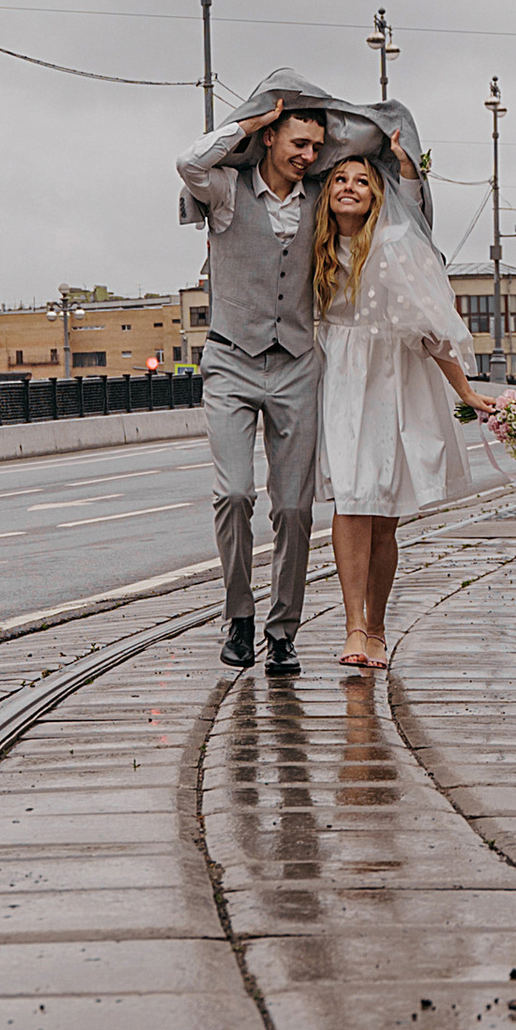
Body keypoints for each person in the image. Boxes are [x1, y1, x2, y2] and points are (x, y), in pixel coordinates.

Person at [314, 149, 491, 670]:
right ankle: (352, 628)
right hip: (340, 381)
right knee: (350, 498)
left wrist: (466, 392)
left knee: (384, 516)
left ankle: (378, 629)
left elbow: (432, 329)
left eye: (362, 181)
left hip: (393, 377)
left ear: (376, 196)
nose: (349, 187)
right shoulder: (314, 247)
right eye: (340, 179)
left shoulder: (394, 245)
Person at [178, 79, 332, 672]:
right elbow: (187, 159)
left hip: (297, 362)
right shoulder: (226, 191)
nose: (308, 156)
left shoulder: (318, 198)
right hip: (230, 360)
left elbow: (378, 201)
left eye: (316, 147)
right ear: (269, 137)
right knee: (235, 492)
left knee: (294, 508)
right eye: (298, 142)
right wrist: (245, 122)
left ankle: (283, 630)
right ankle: (239, 615)